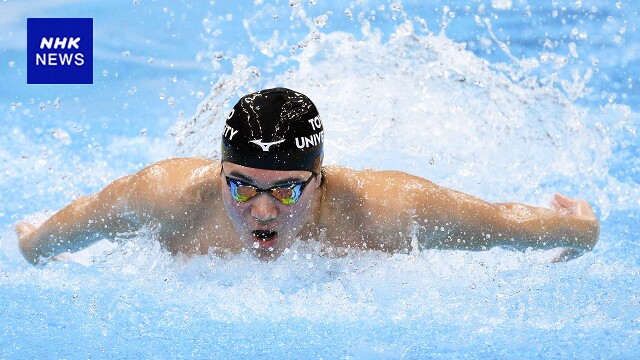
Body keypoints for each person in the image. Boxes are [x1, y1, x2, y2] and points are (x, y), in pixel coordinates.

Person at [16, 88, 600, 265]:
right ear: (219, 171)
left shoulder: (387, 211)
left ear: (320, 178)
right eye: (242, 185)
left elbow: (500, 224)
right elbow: (81, 221)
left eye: (288, 188)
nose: (263, 212)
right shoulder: (168, 196)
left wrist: (579, 230)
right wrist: (34, 245)